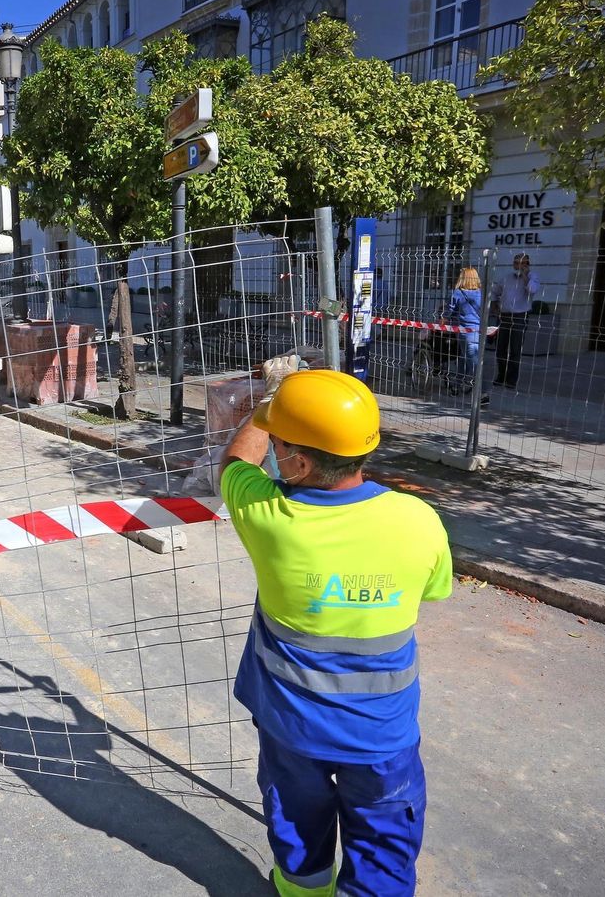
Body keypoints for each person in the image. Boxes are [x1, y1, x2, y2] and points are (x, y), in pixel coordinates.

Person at [221, 369, 453, 897]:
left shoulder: (269, 514)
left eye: (282, 444)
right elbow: (433, 591)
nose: (276, 452)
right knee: (384, 848)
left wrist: (268, 408)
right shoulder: (419, 520)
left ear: (299, 461)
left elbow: (235, 463)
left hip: (293, 729)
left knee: (298, 831)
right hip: (383, 738)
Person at [490, 253, 540, 390]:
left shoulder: (533, 277)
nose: (518, 265)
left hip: (520, 317)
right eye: (516, 262)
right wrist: (494, 304)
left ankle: (511, 379)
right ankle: (501, 376)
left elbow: (532, 290)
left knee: (515, 350)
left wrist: (525, 276)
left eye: (521, 263)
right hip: (504, 316)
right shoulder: (506, 277)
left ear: (527, 265)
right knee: (500, 348)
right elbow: (494, 291)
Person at [444, 267, 487, 405]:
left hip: (465, 331)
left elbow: (450, 310)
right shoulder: (482, 294)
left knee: (473, 362)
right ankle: (456, 386)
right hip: (479, 330)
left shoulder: (458, 293)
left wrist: (442, 320)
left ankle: (483, 393)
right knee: (464, 358)